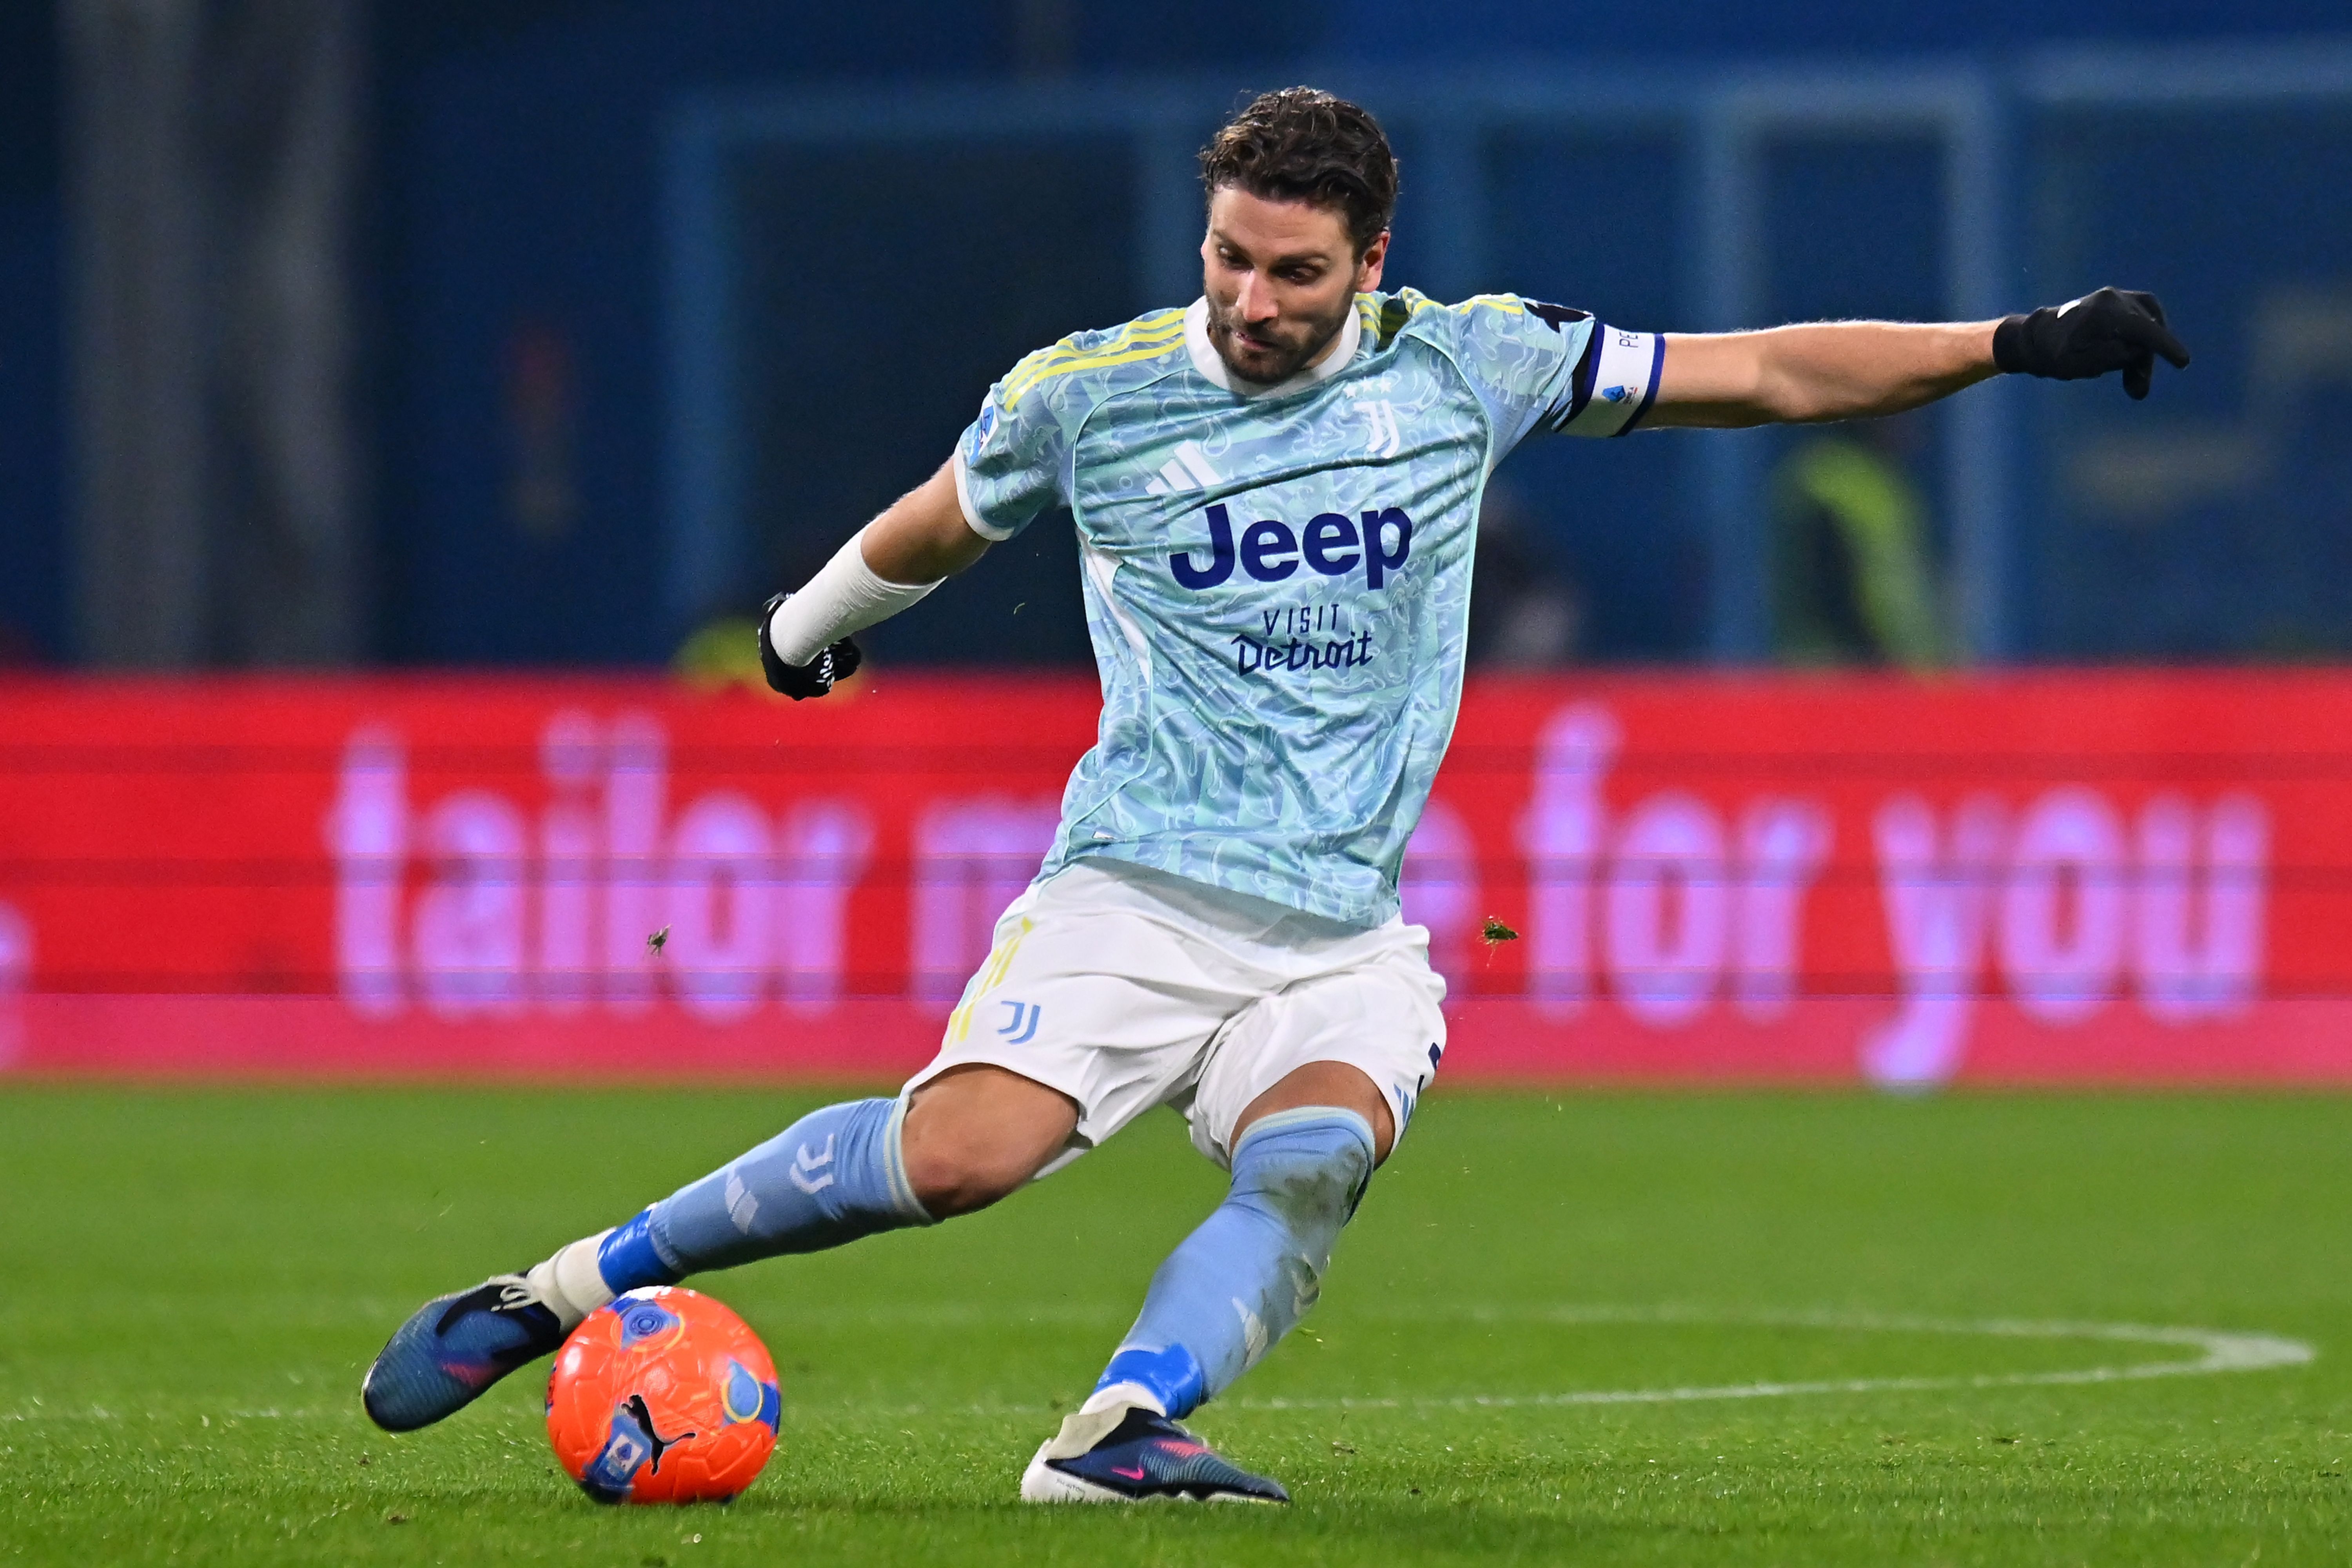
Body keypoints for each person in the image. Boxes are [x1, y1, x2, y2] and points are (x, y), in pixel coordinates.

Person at [361, 87, 2189, 1503]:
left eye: (1294, 272)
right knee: (960, 1159)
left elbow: (1773, 371)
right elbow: (939, 520)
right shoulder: (1090, 396)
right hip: (1137, 887)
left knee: (1314, 1162)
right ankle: (559, 1293)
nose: (1248, 300)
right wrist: (803, 631)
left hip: (1342, 927)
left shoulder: (1476, 364)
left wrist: (2015, 339)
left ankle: (1115, 1431)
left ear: (1372, 261)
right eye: (1230, 257)